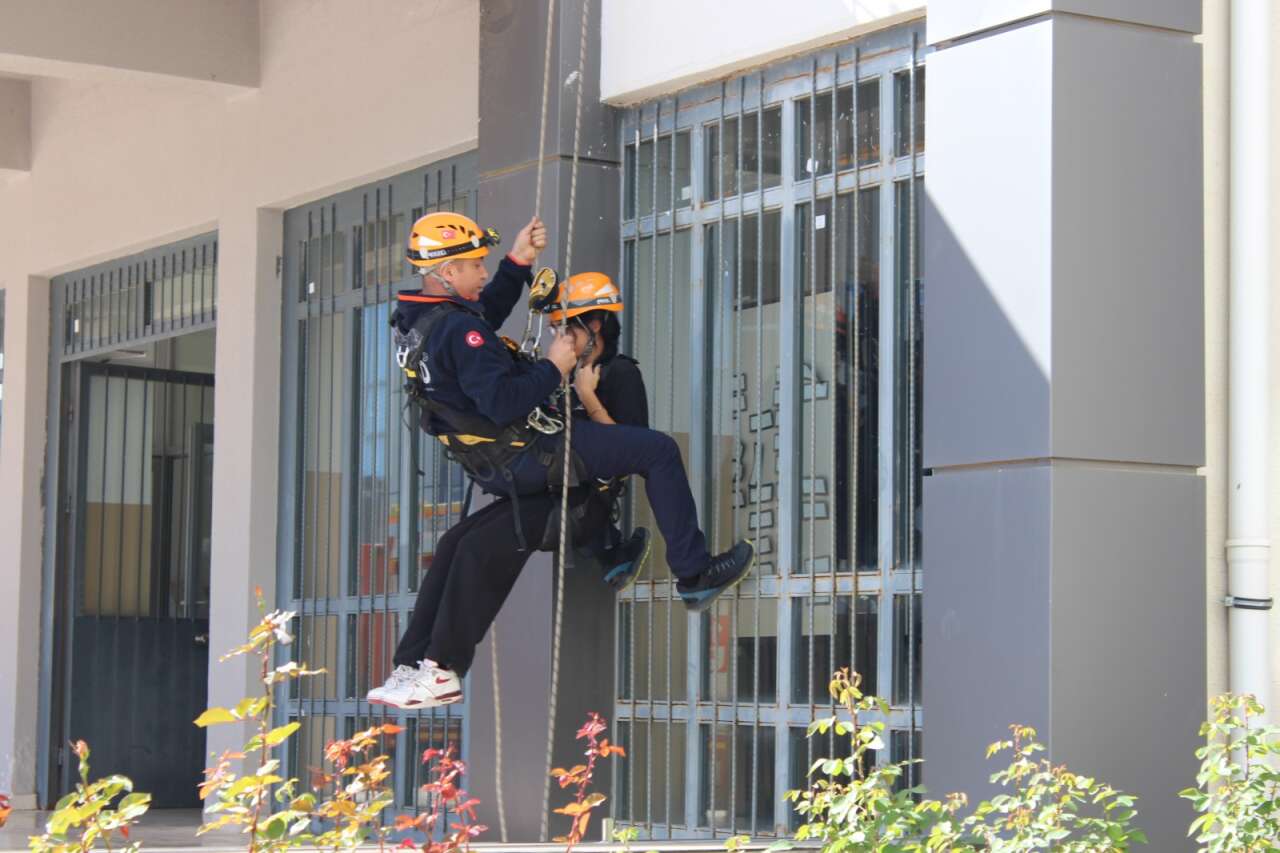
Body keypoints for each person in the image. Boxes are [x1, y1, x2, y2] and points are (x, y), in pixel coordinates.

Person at [373, 211, 754, 704]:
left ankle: (414, 664)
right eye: (475, 265)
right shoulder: (457, 332)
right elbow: (504, 401)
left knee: (458, 544)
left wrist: (516, 263)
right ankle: (694, 572)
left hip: (498, 463)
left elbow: (477, 319)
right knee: (657, 450)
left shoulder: (419, 320)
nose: (483, 273)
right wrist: (555, 366)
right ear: (447, 273)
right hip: (530, 452)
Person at [368, 272, 649, 709]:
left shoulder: (620, 374)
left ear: (595, 325)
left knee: (481, 550)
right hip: (548, 487)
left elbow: (632, 453)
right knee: (453, 542)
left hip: (579, 500)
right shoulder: (563, 372)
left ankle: (443, 668)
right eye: (556, 327)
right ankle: (411, 664)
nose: (562, 337)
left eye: (568, 327)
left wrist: (587, 396)